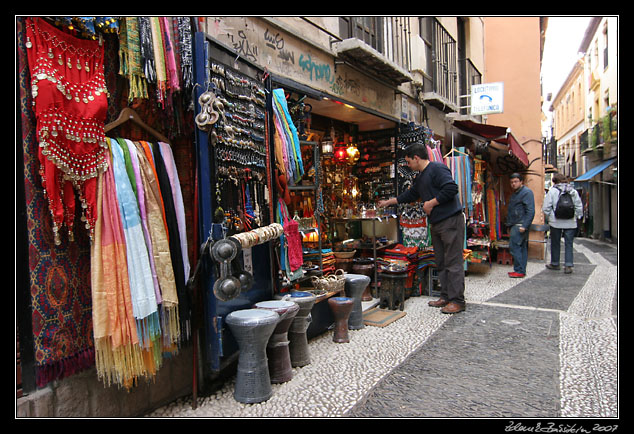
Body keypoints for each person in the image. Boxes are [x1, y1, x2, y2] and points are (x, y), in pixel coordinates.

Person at [378, 143, 466, 314]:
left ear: (416, 158)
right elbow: (410, 195)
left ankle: (457, 301)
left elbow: (451, 188)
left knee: (452, 262)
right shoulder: (421, 177)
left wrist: (430, 203)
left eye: (409, 162)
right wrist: (389, 202)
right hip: (437, 223)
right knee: (440, 261)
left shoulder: (437, 169)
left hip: (450, 221)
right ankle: (446, 296)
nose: (408, 166)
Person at [542, 173, 583, 273]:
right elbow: (578, 205)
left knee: (555, 243)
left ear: (555, 181)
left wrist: (552, 216)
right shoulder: (573, 191)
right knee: (569, 243)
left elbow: (546, 208)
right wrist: (577, 217)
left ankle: (555, 263)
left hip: (556, 222)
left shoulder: (552, 191)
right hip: (571, 222)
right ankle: (568, 265)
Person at [505, 173, 535, 278]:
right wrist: (509, 225)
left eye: (515, 181)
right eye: (511, 182)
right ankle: (520, 270)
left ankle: (519, 270)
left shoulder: (526, 193)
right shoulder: (516, 193)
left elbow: (530, 211)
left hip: (520, 224)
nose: (513, 184)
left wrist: (525, 225)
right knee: (520, 247)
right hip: (516, 224)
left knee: (515, 247)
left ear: (521, 182)